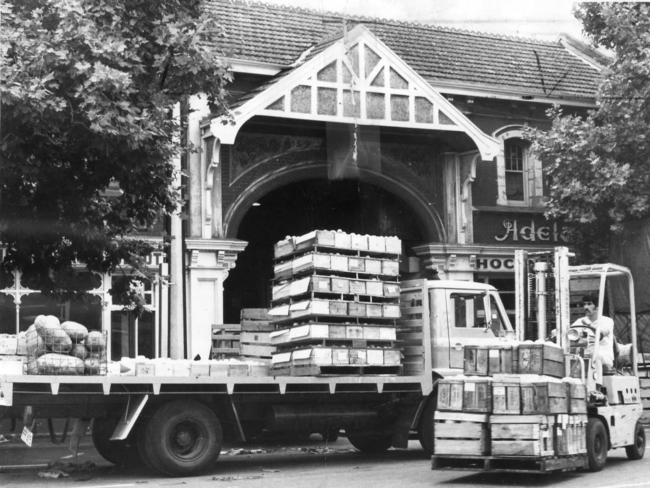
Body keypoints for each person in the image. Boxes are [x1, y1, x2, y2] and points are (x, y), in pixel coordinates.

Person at [571, 293, 615, 369]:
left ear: (597, 307)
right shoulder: (580, 321)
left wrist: (589, 325)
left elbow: (601, 333)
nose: (585, 307)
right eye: (584, 304)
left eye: (589, 304)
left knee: (597, 356)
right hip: (585, 358)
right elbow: (570, 333)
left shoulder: (607, 321)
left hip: (602, 359)